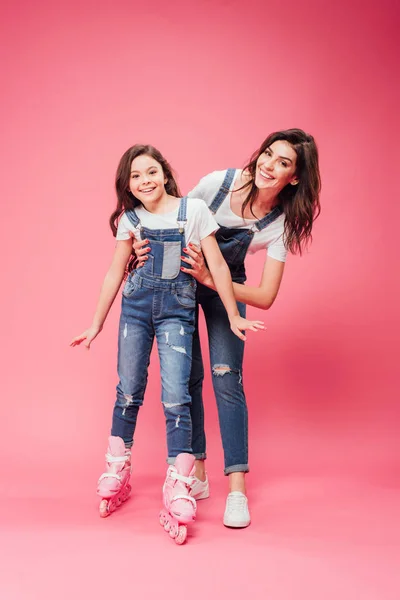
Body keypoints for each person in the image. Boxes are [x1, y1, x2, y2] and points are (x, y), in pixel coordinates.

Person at [70, 144, 264, 543]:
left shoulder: (192, 211)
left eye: (151, 171)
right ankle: (117, 467)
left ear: (165, 172)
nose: (145, 181)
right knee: (128, 390)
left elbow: (219, 267)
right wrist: (95, 325)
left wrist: (232, 314)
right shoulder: (130, 220)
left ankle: (179, 481)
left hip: (177, 314)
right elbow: (113, 274)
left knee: (177, 395)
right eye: (136, 176)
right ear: (127, 185)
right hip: (135, 313)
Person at [133, 129, 321, 529]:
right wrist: (140, 246)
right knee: (188, 377)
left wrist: (211, 279)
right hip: (182, 276)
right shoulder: (218, 183)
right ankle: (197, 475)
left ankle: (237, 490)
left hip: (223, 284)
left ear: (295, 178)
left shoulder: (280, 224)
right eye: (268, 154)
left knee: (226, 377)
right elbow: (172, 215)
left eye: (283, 163)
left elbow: (266, 296)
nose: (269, 165)